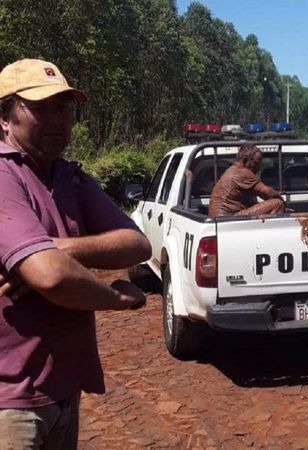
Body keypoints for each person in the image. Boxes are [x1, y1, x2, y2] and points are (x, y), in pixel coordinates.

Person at [0, 59, 152, 449]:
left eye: (64, 107)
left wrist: (54, 246)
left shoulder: (70, 177)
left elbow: (137, 243)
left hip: (62, 387)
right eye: (41, 107)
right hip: (11, 402)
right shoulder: (4, 175)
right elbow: (52, 277)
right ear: (5, 118)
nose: (57, 118)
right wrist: (117, 299)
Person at [208, 144, 285, 217]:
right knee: (277, 204)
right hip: (227, 218)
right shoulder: (242, 172)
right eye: (255, 164)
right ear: (245, 160)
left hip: (220, 218)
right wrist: (284, 203)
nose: (258, 169)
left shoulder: (232, 170)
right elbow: (268, 193)